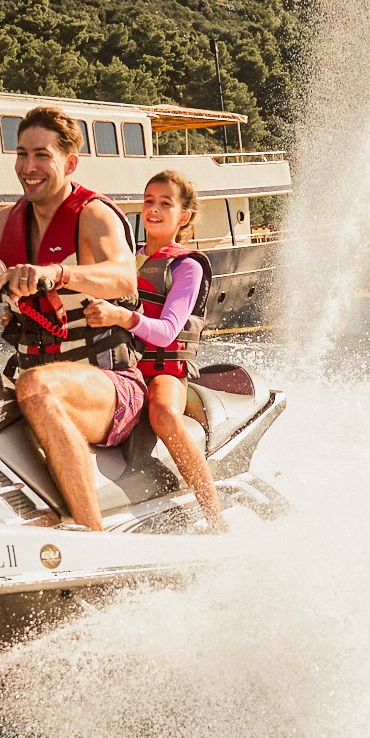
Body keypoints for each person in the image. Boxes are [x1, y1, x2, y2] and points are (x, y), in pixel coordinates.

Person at [0, 105, 140, 530]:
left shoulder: (93, 215)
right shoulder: (5, 223)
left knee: (35, 386)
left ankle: (93, 540)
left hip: (110, 387)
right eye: (21, 154)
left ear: (70, 163)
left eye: (41, 155)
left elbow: (124, 277)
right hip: (35, 382)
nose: (28, 167)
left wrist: (58, 273)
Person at [83, 171, 224, 528]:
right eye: (149, 201)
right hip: (121, 364)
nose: (154, 209)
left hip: (165, 369)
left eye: (165, 203)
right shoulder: (124, 260)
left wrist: (121, 316)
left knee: (162, 413)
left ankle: (215, 516)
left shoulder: (187, 266)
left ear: (184, 216)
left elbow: (165, 333)